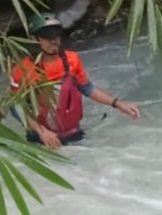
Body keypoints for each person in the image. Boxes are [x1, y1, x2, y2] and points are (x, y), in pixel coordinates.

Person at [9, 11, 140, 149]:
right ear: (34, 39)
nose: (53, 40)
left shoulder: (72, 59)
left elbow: (87, 88)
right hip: (41, 138)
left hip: (72, 133)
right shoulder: (22, 69)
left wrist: (118, 104)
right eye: (47, 36)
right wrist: (41, 132)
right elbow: (15, 107)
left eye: (56, 35)